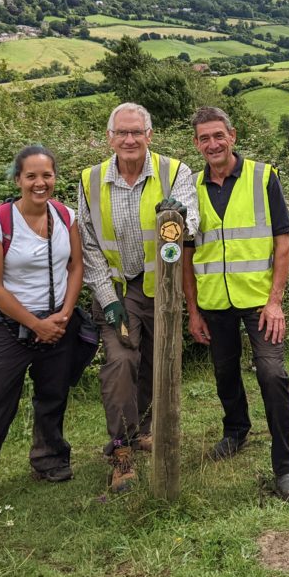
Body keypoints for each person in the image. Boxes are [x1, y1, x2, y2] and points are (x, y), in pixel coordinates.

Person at [0, 145, 86, 517]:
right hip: (9, 326)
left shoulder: (66, 216)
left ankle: (50, 459)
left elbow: (75, 267)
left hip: (57, 323)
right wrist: (35, 323)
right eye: (32, 176)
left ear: (55, 177)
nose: (41, 183)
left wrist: (65, 315)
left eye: (47, 175)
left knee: (53, 396)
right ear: (18, 179)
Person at [182, 106, 289, 502]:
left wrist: (276, 302)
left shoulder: (263, 177)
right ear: (197, 143)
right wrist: (193, 310)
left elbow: (281, 242)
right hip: (214, 301)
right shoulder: (189, 188)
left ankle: (285, 465)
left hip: (258, 301)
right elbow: (185, 253)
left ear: (232, 135)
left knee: (271, 374)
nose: (212, 144)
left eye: (219, 135)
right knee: (223, 370)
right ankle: (235, 430)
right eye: (204, 138)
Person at [78, 102, 198, 493]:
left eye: (136, 132)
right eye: (121, 133)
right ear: (109, 138)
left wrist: (179, 216)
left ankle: (144, 429)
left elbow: (192, 220)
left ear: (150, 135)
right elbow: (89, 244)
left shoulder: (174, 171)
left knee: (153, 362)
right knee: (121, 360)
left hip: (160, 288)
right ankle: (120, 451)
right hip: (116, 289)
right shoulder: (90, 180)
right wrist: (106, 297)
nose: (129, 140)